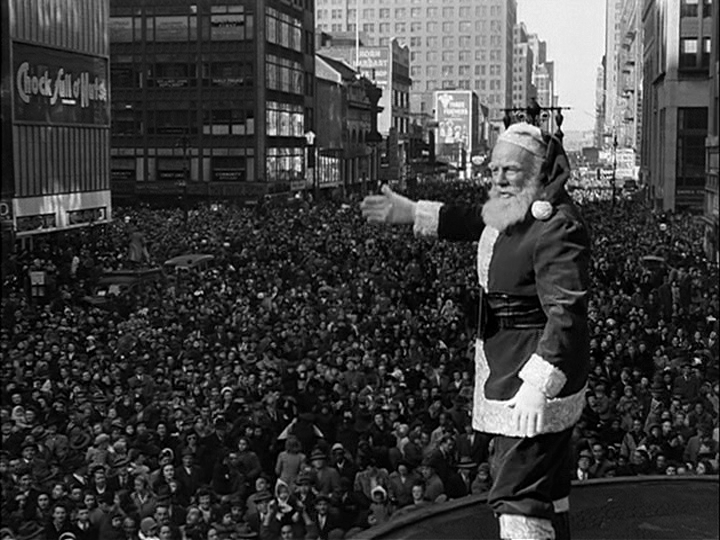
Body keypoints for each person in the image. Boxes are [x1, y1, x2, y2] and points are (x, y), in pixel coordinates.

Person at [361, 122, 591, 540]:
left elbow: (567, 313)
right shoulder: (514, 210)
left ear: (537, 172)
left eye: (511, 170)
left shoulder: (556, 225)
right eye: (494, 169)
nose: (499, 178)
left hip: (527, 381)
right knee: (546, 491)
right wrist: (412, 211)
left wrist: (538, 385)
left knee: (518, 498)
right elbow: (473, 220)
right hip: (509, 368)